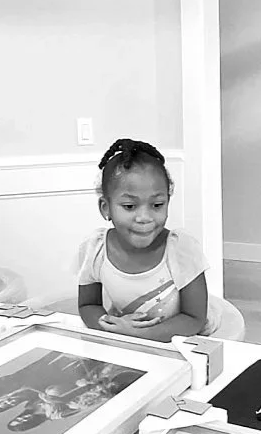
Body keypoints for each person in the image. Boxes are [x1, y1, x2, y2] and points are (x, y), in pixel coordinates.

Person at [76, 139, 219, 341]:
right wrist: (112, 328)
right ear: (105, 208)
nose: (145, 217)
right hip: (130, 343)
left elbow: (194, 318)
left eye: (157, 205)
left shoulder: (180, 249)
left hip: (188, 342)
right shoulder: (95, 248)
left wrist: (142, 334)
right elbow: (88, 305)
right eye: (129, 206)